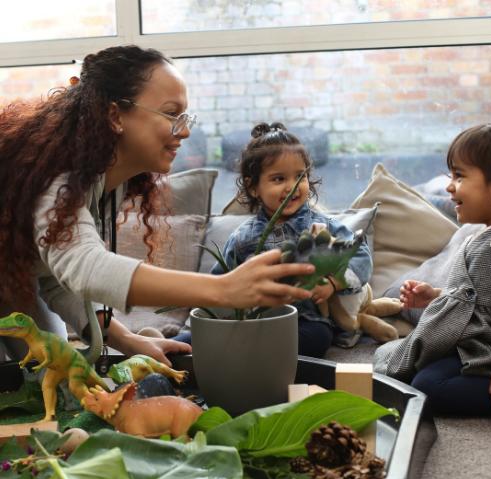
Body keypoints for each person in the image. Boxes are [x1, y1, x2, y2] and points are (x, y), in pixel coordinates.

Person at [0, 46, 315, 368]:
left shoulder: (101, 180)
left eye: (185, 116)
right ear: (114, 116)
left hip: (11, 286)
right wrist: (223, 289)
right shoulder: (57, 176)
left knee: (49, 379)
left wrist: (125, 339)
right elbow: (85, 267)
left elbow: (55, 274)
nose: (186, 130)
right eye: (170, 113)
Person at [374, 123, 491, 416]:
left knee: (431, 389)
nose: (449, 186)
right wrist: (436, 296)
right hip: (474, 345)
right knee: (412, 371)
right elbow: (479, 296)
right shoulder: (482, 236)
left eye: (459, 176)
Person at [208, 122, 372, 357]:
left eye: (300, 176)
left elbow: (360, 254)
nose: (292, 186)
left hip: (307, 320)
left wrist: (334, 284)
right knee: (204, 335)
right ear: (253, 187)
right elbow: (219, 282)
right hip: (256, 322)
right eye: (278, 179)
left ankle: (254, 354)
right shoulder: (243, 238)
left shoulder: (323, 226)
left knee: (317, 338)